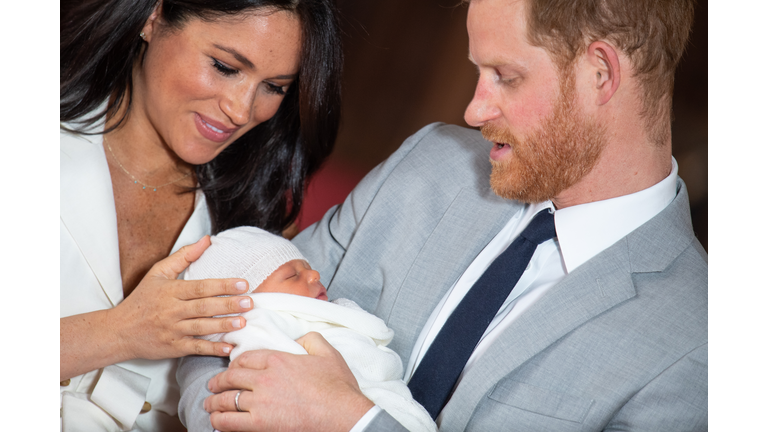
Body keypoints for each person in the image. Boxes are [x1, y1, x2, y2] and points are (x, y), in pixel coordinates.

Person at [178, 0, 707, 430]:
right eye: (479, 72)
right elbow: (224, 321)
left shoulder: (702, 347)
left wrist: (354, 423)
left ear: (601, 73)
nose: (474, 112)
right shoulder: (429, 163)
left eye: (505, 75)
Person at [60, 0, 342, 430]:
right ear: (154, 17)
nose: (242, 110)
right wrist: (119, 332)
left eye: (275, 87)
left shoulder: (258, 223)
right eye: (226, 66)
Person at [182, 226, 437, 432]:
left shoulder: (333, 313)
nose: (315, 274)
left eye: (307, 266)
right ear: (244, 303)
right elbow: (269, 375)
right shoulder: (258, 324)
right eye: (292, 275)